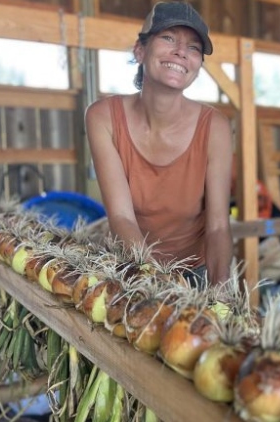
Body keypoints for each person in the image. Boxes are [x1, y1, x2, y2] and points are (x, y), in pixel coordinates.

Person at [85, 1, 233, 285]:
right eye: (168, 38)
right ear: (140, 51)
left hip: (194, 273)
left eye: (193, 48)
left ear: (198, 64)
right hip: (129, 270)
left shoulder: (216, 127)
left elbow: (217, 226)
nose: (181, 51)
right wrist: (156, 284)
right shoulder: (102, 117)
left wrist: (221, 293)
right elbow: (121, 217)